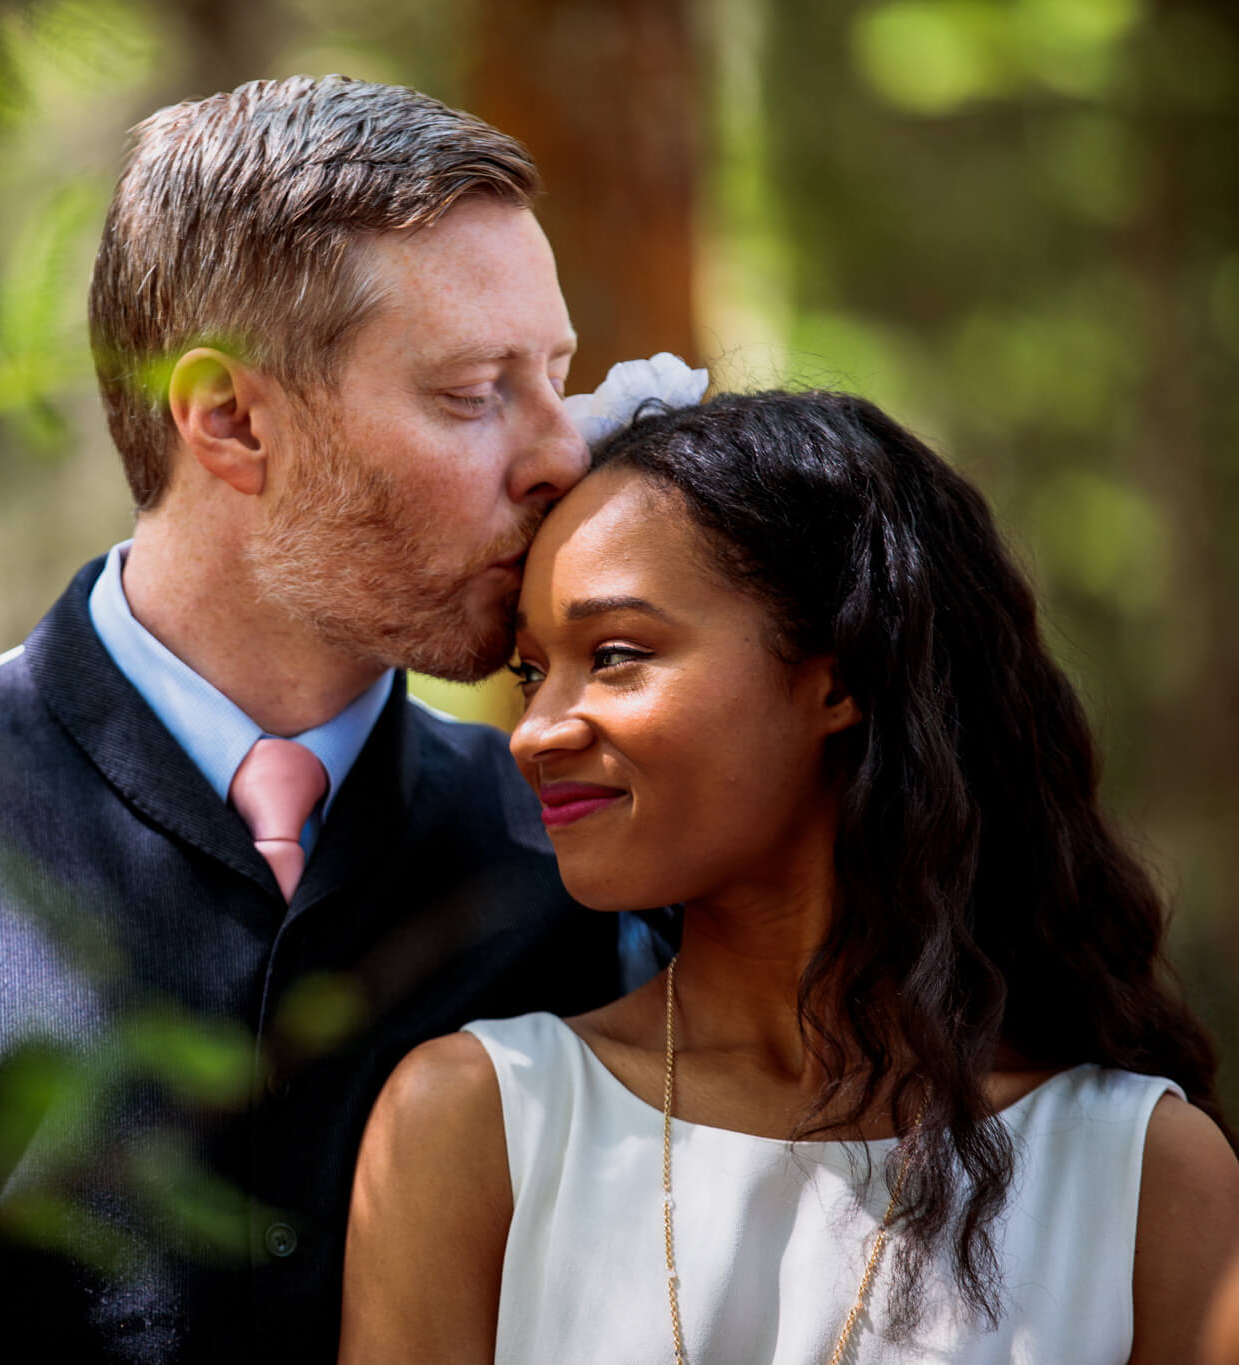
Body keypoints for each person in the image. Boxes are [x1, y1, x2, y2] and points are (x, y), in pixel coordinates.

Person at [0, 76, 652, 1362]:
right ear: (229, 419)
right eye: (474, 394)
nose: (559, 457)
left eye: (555, 379)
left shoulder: (610, 866)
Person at [341, 388, 1239, 1363]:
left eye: (611, 655)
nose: (536, 731)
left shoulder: (1138, 1172)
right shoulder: (477, 1122)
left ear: (839, 677)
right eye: (528, 670)